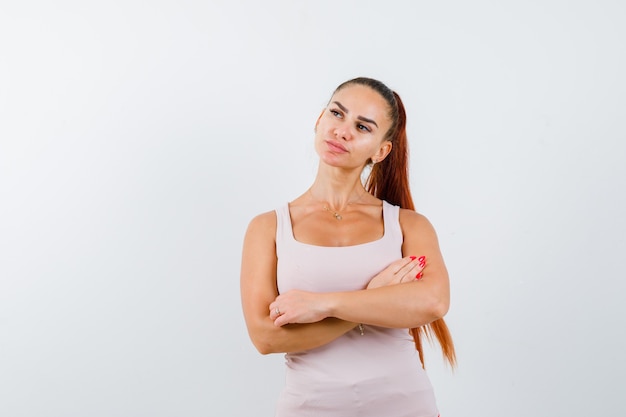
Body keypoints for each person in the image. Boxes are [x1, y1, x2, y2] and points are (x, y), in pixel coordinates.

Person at [240, 77, 455, 417]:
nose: (342, 131)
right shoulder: (267, 227)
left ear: (381, 151)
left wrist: (323, 304)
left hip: (405, 406)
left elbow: (433, 301)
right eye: (336, 114)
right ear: (318, 121)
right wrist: (374, 297)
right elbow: (266, 338)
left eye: (362, 126)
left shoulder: (409, 226)